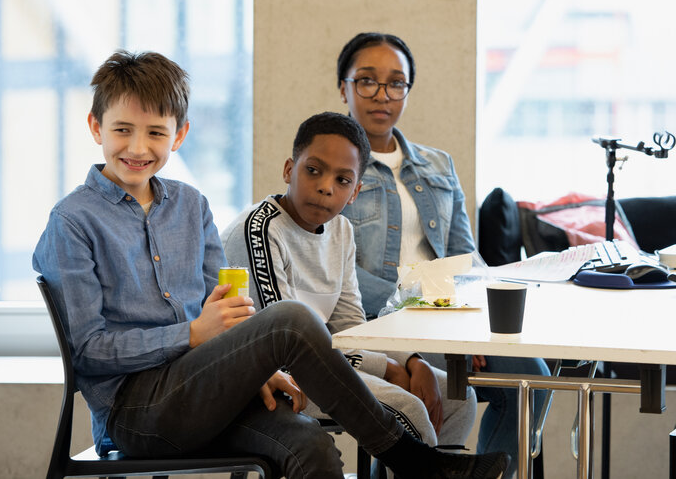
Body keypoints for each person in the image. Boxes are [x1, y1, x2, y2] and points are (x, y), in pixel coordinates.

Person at [32, 50, 508, 479]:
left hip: (209, 392)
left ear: (179, 135)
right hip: (136, 414)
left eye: (155, 132)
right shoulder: (73, 222)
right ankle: (413, 460)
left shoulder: (191, 207)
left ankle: (415, 460)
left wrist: (251, 366)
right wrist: (192, 334)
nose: (138, 148)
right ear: (96, 128)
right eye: (122, 130)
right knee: (291, 319)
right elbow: (89, 352)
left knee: (311, 449)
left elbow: (232, 313)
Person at [336, 32, 551, 478]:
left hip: (448, 314)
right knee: (422, 395)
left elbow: (465, 256)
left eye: (397, 83)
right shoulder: (333, 169)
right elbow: (341, 275)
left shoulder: (437, 165)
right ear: (344, 88)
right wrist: (435, 305)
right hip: (381, 323)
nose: (383, 95)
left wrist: (464, 318)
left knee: (532, 378)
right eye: (367, 81)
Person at [222, 111, 478, 460]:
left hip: (321, 365)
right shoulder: (261, 229)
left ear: (355, 192)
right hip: (272, 377)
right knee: (408, 408)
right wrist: (387, 368)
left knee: (458, 398)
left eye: (343, 180)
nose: (326, 186)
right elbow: (283, 347)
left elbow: (352, 325)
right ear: (288, 170)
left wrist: (412, 361)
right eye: (313, 170)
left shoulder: (341, 231)